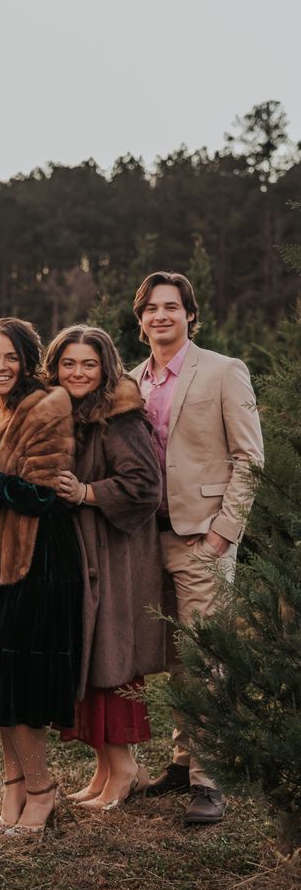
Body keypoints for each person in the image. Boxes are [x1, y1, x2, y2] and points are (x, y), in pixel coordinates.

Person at [130, 271, 264, 824]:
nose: (161, 316)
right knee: (176, 658)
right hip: (146, 538)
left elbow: (250, 459)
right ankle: (184, 760)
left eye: (172, 307)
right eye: (151, 309)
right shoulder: (131, 379)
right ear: (140, 321)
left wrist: (221, 534)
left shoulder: (223, 371)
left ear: (190, 314)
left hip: (200, 535)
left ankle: (212, 783)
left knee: (206, 658)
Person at [0, 317, 82, 835]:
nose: (0, 366)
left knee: (23, 680)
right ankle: (13, 787)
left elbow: (42, 493)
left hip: (40, 562)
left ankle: (42, 790)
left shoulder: (49, 406)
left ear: (27, 359)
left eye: (10, 356)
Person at [43, 325, 165, 810]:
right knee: (90, 659)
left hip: (115, 556)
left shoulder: (120, 419)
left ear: (105, 368)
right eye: (68, 363)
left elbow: (144, 485)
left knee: (112, 659)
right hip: (80, 553)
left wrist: (87, 493)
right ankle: (104, 769)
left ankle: (126, 771)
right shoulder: (64, 414)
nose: (77, 372)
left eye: (88, 364)